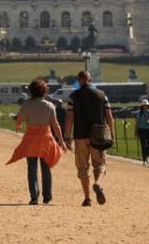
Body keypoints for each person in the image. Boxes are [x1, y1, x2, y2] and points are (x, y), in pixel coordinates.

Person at [6, 79, 68, 205]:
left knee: (32, 169)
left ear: (31, 92)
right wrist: (61, 141)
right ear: (44, 92)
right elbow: (55, 125)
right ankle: (47, 196)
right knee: (46, 168)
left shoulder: (27, 105)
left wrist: (15, 118)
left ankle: (34, 196)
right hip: (46, 139)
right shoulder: (50, 106)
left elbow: (20, 119)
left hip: (31, 139)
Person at [64, 70, 115, 207]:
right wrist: (112, 135)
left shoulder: (73, 96)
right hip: (98, 136)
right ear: (90, 80)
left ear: (79, 80)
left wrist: (67, 137)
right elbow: (109, 117)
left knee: (82, 168)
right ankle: (97, 183)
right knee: (100, 165)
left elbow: (69, 117)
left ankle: (87, 198)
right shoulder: (101, 95)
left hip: (80, 135)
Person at [135, 99, 149, 165]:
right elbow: (137, 123)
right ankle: (144, 160)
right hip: (141, 130)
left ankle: (147, 157)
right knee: (143, 145)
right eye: (144, 105)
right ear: (142, 106)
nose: (145, 107)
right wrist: (135, 131)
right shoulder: (139, 113)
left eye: (146, 105)